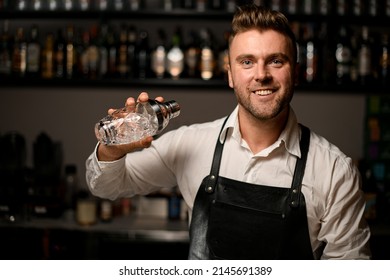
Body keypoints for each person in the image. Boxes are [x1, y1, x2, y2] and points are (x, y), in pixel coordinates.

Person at [86, 4, 371, 260]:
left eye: (276, 61)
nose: (261, 74)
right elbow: (105, 186)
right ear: (230, 75)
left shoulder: (335, 171)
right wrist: (113, 149)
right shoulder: (190, 143)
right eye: (247, 62)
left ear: (294, 73)